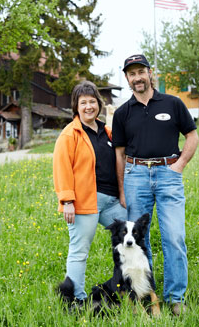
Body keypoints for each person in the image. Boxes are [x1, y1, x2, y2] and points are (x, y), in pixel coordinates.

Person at [112, 54, 199, 315]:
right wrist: (121, 189)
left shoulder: (173, 104)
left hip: (168, 174)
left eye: (141, 71)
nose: (137, 77)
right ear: (126, 78)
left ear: (151, 73)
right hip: (135, 175)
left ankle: (175, 298)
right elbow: (119, 153)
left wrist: (179, 166)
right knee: (139, 241)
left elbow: (192, 136)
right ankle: (146, 295)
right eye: (131, 73)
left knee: (174, 237)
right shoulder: (122, 113)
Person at [53, 80, 127, 302]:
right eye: (83, 102)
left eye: (92, 102)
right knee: (79, 251)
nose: (88, 107)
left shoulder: (107, 132)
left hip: (112, 201)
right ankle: (76, 299)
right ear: (76, 106)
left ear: (99, 104)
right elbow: (61, 167)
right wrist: (67, 200)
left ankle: (125, 288)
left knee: (130, 238)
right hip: (85, 201)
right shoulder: (70, 135)